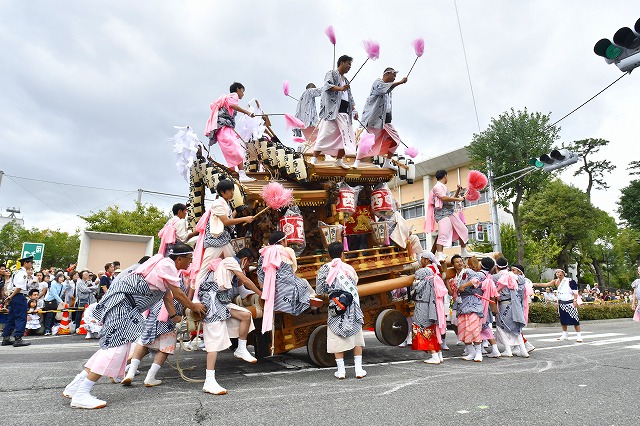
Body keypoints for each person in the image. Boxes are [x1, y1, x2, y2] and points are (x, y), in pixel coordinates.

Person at [62, 246, 206, 409]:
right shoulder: (168, 265)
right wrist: (194, 307)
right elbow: (178, 294)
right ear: (179, 258)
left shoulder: (162, 265)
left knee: (108, 348)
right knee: (115, 350)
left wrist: (175, 318)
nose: (191, 262)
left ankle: (75, 387)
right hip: (123, 306)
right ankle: (82, 394)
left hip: (123, 305)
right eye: (189, 258)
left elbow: (167, 297)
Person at [197, 251, 263, 395]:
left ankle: (241, 348)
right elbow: (245, 280)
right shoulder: (231, 261)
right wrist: (261, 293)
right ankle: (209, 381)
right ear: (245, 259)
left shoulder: (224, 264)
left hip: (220, 302)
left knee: (245, 315)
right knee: (213, 344)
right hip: (213, 303)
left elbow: (239, 284)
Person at [315, 241, 366, 379]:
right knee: (356, 337)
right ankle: (358, 370)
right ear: (342, 254)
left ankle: (341, 371)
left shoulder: (324, 269)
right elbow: (355, 282)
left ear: (328, 255)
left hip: (336, 305)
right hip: (352, 304)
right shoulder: (349, 268)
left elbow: (319, 290)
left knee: (336, 336)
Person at [193, 180, 254, 291]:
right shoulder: (217, 204)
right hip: (215, 242)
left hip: (224, 241)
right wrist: (244, 218)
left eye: (232, 190)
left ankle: (241, 290)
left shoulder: (226, 204)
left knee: (236, 264)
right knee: (203, 270)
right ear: (222, 192)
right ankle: (195, 296)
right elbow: (226, 221)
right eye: (230, 190)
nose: (232, 193)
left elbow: (228, 219)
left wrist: (236, 212)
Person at [309, 55, 358, 169]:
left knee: (345, 137)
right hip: (333, 111)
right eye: (348, 64)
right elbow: (327, 86)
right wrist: (340, 88)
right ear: (341, 62)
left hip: (345, 112)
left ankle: (339, 160)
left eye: (350, 65)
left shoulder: (346, 80)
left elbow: (350, 97)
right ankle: (314, 158)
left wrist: (354, 109)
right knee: (325, 134)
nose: (350, 67)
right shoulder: (331, 74)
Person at [257, 231, 312, 333]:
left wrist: (263, 290)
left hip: (270, 289)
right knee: (303, 283)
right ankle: (311, 298)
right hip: (287, 288)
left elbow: (260, 273)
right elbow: (293, 269)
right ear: (282, 242)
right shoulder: (288, 251)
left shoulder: (264, 253)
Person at [354, 67, 408, 169]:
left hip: (386, 120)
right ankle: (356, 161)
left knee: (396, 140)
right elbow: (384, 89)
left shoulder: (390, 89)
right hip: (376, 119)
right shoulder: (377, 83)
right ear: (387, 74)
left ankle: (387, 162)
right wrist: (400, 82)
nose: (394, 78)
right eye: (393, 75)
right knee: (368, 141)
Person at [204, 81, 256, 182]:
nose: (243, 94)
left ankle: (236, 175)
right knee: (236, 149)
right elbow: (232, 105)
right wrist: (248, 113)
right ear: (238, 89)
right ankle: (242, 175)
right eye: (242, 91)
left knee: (232, 151)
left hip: (223, 130)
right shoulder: (234, 95)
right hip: (224, 129)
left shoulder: (226, 99)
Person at [425, 169, 469, 262]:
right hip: (442, 214)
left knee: (463, 229)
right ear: (445, 176)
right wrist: (459, 199)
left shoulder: (443, 187)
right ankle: (440, 255)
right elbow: (444, 198)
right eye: (447, 176)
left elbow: (451, 198)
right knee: (443, 234)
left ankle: (463, 251)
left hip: (450, 212)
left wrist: (458, 191)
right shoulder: (437, 187)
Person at [411, 253, 447, 365]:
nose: (421, 261)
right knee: (433, 330)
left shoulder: (424, 275)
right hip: (434, 304)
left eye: (422, 258)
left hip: (423, 305)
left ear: (426, 259)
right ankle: (439, 354)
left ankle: (434, 355)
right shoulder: (435, 271)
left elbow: (416, 289)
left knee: (423, 328)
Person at [450, 255, 484, 362]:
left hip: (472, 301)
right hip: (461, 303)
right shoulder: (455, 277)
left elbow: (477, 279)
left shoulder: (468, 271)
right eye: (457, 262)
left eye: (461, 261)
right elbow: (452, 292)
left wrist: (464, 285)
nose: (460, 263)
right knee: (463, 329)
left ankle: (478, 352)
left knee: (473, 328)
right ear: (453, 265)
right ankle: (471, 351)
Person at [493, 257, 528, 357]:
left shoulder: (496, 277)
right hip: (516, 305)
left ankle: (508, 349)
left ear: (497, 266)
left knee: (501, 327)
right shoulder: (517, 277)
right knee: (516, 328)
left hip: (504, 305)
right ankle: (523, 349)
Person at [534, 269, 582, 342]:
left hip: (570, 302)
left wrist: (575, 300)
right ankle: (565, 334)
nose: (557, 273)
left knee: (575, 319)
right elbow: (546, 284)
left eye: (559, 272)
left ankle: (579, 336)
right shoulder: (555, 281)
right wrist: (536, 284)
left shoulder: (570, 280)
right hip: (561, 302)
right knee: (563, 320)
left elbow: (575, 292)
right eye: (556, 272)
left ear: (563, 273)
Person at [1, 256, 33, 347]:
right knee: (21, 317)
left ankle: (6, 337)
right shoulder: (23, 273)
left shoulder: (16, 272)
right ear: (25, 263)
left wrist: (10, 296)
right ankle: (18, 338)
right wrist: (11, 296)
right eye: (30, 263)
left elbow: (11, 286)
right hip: (19, 296)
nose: (31, 264)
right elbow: (19, 287)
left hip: (14, 296)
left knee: (11, 317)